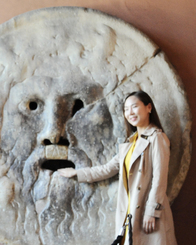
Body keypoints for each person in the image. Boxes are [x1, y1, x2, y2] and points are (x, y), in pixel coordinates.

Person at [58, 90, 178, 245]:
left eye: (134, 107)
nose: (130, 113)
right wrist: (77, 173)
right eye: (126, 109)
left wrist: (152, 212)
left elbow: (159, 179)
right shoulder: (131, 143)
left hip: (147, 214)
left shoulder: (157, 138)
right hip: (130, 212)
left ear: (149, 108)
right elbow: (107, 169)